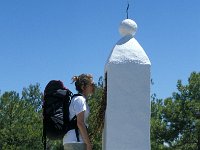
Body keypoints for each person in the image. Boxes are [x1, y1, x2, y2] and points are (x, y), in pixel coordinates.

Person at [63, 74, 94, 150]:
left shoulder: (78, 99)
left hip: (73, 140)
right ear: (83, 87)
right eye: (91, 84)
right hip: (75, 141)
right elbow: (80, 123)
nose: (93, 86)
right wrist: (88, 143)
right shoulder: (80, 100)